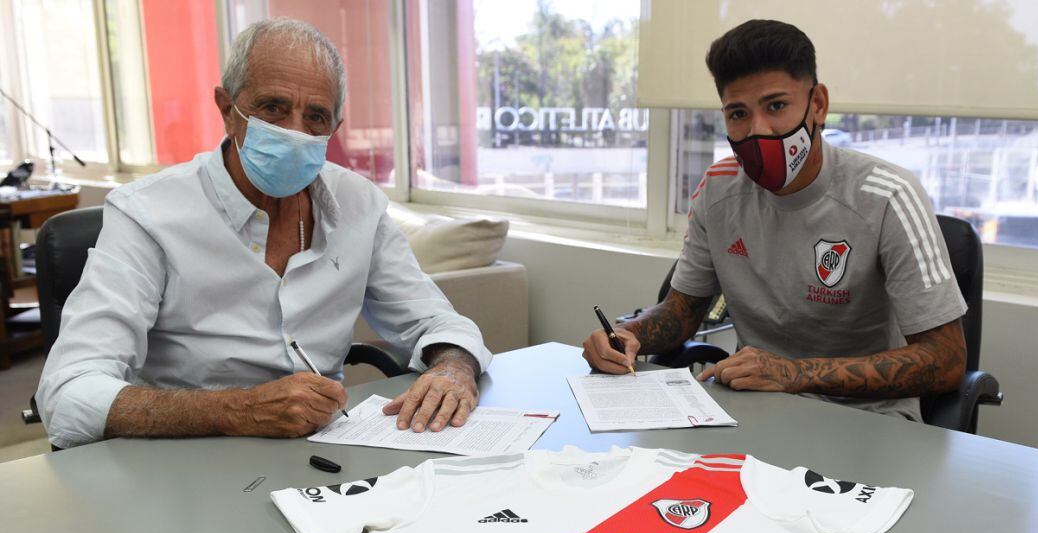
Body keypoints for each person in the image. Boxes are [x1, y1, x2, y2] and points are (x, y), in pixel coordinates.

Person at [36, 19, 490, 449]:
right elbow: (68, 393)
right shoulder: (148, 213)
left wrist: (453, 366)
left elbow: (436, 321)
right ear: (227, 109)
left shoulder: (359, 205)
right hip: (184, 459)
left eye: (315, 116)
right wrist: (236, 410)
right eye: (273, 108)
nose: (294, 132)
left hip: (321, 454)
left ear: (334, 128)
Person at [583, 19, 967, 421]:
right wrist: (629, 336)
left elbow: (945, 360)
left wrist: (794, 373)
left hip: (867, 420)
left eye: (776, 106)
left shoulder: (887, 194)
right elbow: (682, 311)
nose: (757, 131)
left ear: (817, 104)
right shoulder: (718, 190)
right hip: (752, 409)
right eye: (737, 113)